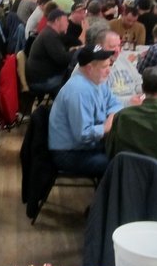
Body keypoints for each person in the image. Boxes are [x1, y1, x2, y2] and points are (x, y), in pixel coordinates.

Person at [48, 46, 121, 177]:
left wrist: (111, 117)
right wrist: (105, 127)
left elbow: (115, 103)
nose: (109, 71)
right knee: (121, 164)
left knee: (126, 154)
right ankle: (108, 190)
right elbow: (83, 135)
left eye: (109, 65)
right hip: (70, 153)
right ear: (89, 68)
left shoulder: (97, 81)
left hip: (87, 146)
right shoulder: (79, 91)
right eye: (104, 67)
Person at [25, 9, 72, 95]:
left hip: (41, 77)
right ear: (57, 21)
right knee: (72, 82)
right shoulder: (49, 36)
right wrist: (75, 52)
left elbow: (60, 54)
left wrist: (72, 50)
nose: (68, 23)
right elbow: (63, 60)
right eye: (66, 21)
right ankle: (61, 102)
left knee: (70, 73)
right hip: (42, 81)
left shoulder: (49, 32)